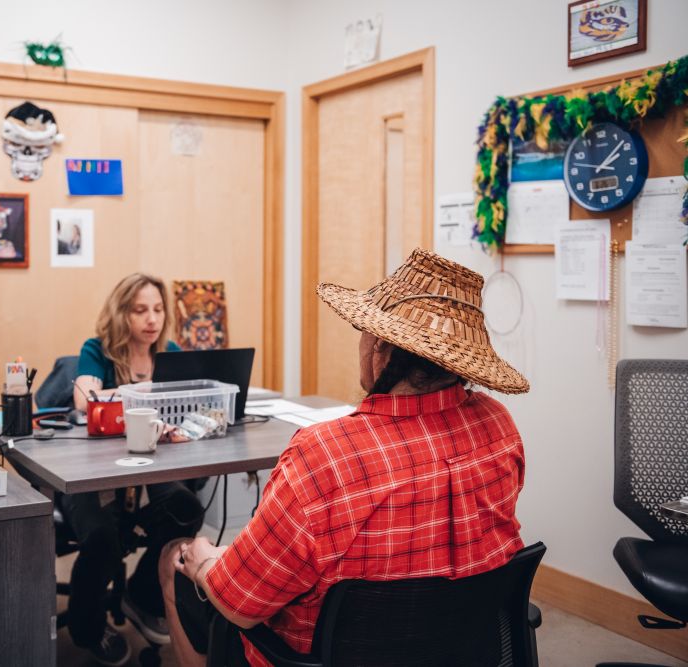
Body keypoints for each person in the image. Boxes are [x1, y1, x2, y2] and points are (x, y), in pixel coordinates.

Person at [160, 249, 531, 667]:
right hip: (462, 648)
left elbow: (239, 605)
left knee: (176, 557)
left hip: (318, 656)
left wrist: (203, 561)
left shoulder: (325, 456)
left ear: (380, 349)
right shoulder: (498, 425)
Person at [64, 272, 205, 667]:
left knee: (187, 510)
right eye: (140, 310)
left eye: (158, 309)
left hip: (151, 462)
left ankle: (141, 596)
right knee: (102, 538)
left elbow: (184, 401)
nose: (152, 319)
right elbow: (85, 400)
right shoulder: (98, 350)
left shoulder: (169, 351)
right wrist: (143, 391)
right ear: (121, 313)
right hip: (94, 469)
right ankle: (88, 628)